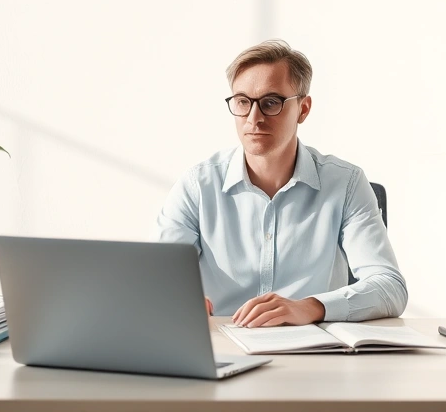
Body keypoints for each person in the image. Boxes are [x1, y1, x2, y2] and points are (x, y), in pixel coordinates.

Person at [156, 40, 407, 328]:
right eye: (242, 102)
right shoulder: (197, 186)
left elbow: (390, 287)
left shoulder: (345, 183)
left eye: (271, 103)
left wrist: (310, 308)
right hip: (222, 348)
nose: (254, 118)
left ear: (303, 109)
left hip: (313, 353)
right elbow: (156, 281)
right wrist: (172, 298)